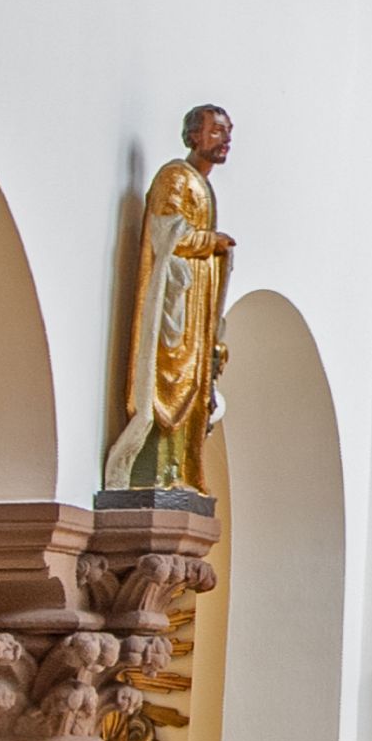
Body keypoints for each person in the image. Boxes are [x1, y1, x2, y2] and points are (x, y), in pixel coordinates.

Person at [103, 105, 236, 489]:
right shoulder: (175, 178)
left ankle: (179, 472)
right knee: (167, 380)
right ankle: (155, 473)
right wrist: (210, 241)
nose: (225, 140)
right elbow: (167, 235)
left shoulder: (201, 184)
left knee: (195, 385)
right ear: (194, 135)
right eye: (216, 131)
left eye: (228, 133)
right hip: (174, 306)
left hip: (197, 309)